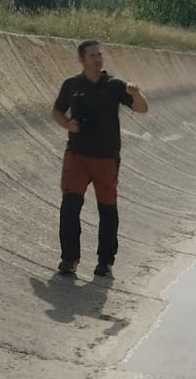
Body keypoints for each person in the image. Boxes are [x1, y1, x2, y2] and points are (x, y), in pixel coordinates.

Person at [51, 40, 148, 278]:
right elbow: (57, 111)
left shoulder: (115, 85)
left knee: (107, 210)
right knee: (70, 207)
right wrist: (68, 124)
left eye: (99, 54)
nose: (98, 58)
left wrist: (136, 94)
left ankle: (105, 262)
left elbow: (142, 108)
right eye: (92, 55)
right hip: (77, 155)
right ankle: (69, 259)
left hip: (106, 157)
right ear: (81, 60)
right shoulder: (71, 85)